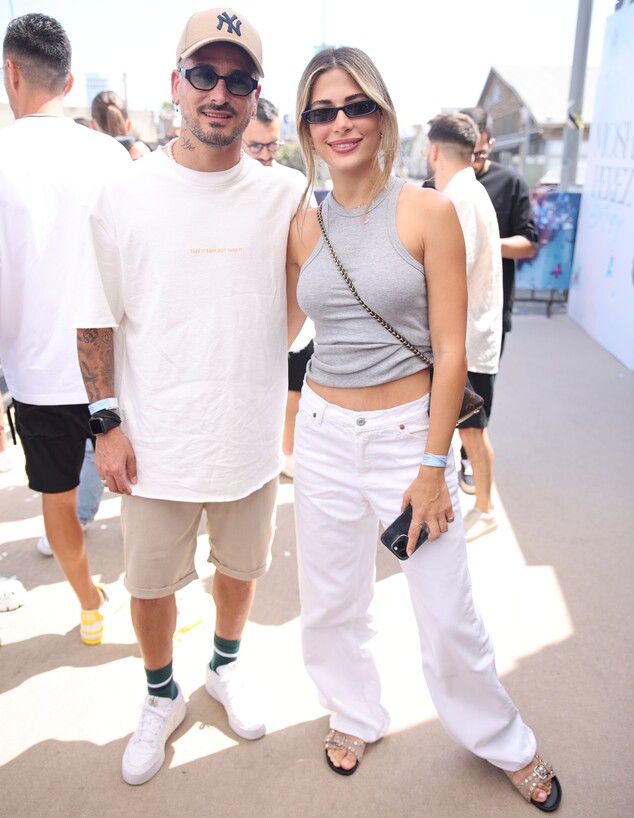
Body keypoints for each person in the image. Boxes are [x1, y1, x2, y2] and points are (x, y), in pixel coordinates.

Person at [285, 47, 561, 811]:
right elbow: (282, 327)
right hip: (323, 432)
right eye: (322, 111)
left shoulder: (427, 210)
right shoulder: (302, 224)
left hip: (409, 436)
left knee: (448, 613)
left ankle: (503, 738)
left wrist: (435, 466)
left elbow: (450, 350)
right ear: (306, 128)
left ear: (382, 114)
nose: (341, 123)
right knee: (331, 599)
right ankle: (353, 711)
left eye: (356, 105)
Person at [74, 7, 302, 786]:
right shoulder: (123, 193)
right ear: (176, 83)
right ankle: (161, 694)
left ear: (254, 95)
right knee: (148, 587)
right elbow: (94, 316)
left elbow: (302, 302)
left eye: (238, 80)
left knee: (241, 570)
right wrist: (105, 421)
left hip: (247, 436)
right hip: (156, 439)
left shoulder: (286, 195)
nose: (219, 93)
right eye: (204, 74)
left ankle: (224, 668)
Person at [0, 14, 130, 641]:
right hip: (117, 371)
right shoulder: (111, 156)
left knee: (57, 503)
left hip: (36, 377)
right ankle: (153, 610)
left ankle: (90, 607)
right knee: (146, 497)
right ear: (70, 81)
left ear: (11, 73)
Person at [426, 113, 502, 541]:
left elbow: (452, 269)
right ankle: (476, 505)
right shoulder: (466, 191)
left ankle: (485, 508)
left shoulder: (460, 198)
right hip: (469, 335)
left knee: (472, 430)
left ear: (434, 151)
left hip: (468, 339)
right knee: (465, 430)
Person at [458, 106, 538, 495]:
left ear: (489, 143)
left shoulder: (510, 182)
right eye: (464, 152)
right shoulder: (436, 185)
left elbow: (528, 243)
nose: (472, 161)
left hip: (487, 314)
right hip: (438, 313)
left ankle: (469, 462)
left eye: (478, 152)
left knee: (476, 400)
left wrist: (486, 241)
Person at [243, 97, 316, 478]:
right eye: (256, 146)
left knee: (292, 392)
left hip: (289, 311)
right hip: (242, 316)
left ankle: (286, 455)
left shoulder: (292, 184)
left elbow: (308, 259)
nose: (266, 155)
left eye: (273, 145)